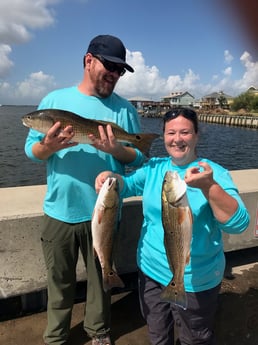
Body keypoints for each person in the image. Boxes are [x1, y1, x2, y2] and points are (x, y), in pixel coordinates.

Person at [24, 34, 146, 345]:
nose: (115, 74)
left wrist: (118, 150)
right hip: (59, 212)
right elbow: (31, 151)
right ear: (88, 60)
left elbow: (139, 156)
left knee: (100, 279)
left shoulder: (124, 110)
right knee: (59, 282)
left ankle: (99, 332)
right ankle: (55, 336)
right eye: (111, 66)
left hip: (104, 212)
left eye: (121, 70)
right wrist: (47, 146)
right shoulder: (53, 101)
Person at [95, 107, 250, 345]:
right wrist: (111, 179)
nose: (177, 139)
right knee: (157, 334)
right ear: (164, 136)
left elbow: (239, 224)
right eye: (171, 133)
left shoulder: (214, 173)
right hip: (150, 271)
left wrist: (209, 187)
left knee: (195, 338)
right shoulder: (155, 167)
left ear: (197, 135)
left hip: (194, 279)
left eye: (185, 132)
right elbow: (127, 186)